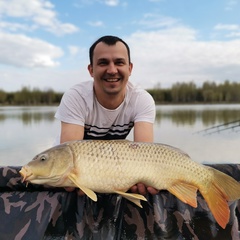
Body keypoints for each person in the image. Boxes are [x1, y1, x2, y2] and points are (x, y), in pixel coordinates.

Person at [55, 35, 158, 195]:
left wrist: (141, 179)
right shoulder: (76, 97)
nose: (111, 70)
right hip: (75, 168)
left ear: (130, 68)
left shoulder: (142, 99)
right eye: (103, 63)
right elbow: (71, 160)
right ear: (91, 70)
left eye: (119, 62)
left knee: (144, 186)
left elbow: (143, 157)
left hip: (117, 164)